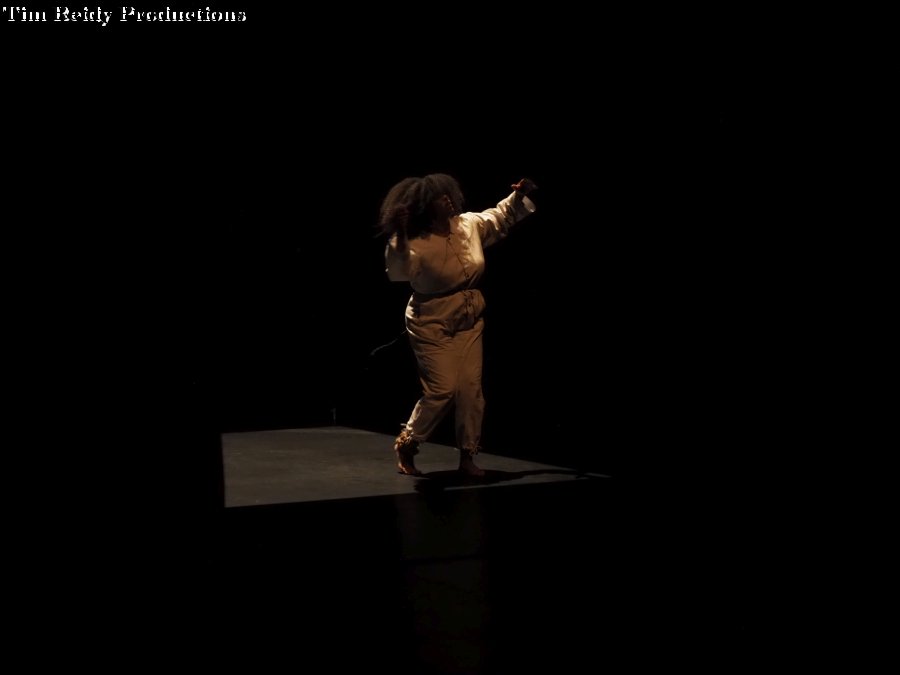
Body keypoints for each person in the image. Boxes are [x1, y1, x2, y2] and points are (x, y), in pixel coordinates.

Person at [380, 173, 537, 477]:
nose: (448, 200)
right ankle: (408, 444)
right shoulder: (416, 242)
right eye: (440, 198)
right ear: (427, 206)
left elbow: (498, 217)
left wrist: (517, 197)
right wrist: (398, 237)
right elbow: (398, 271)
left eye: (448, 194)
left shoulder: (467, 225)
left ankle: (468, 455)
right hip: (431, 319)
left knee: (470, 390)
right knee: (442, 390)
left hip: (469, 314)